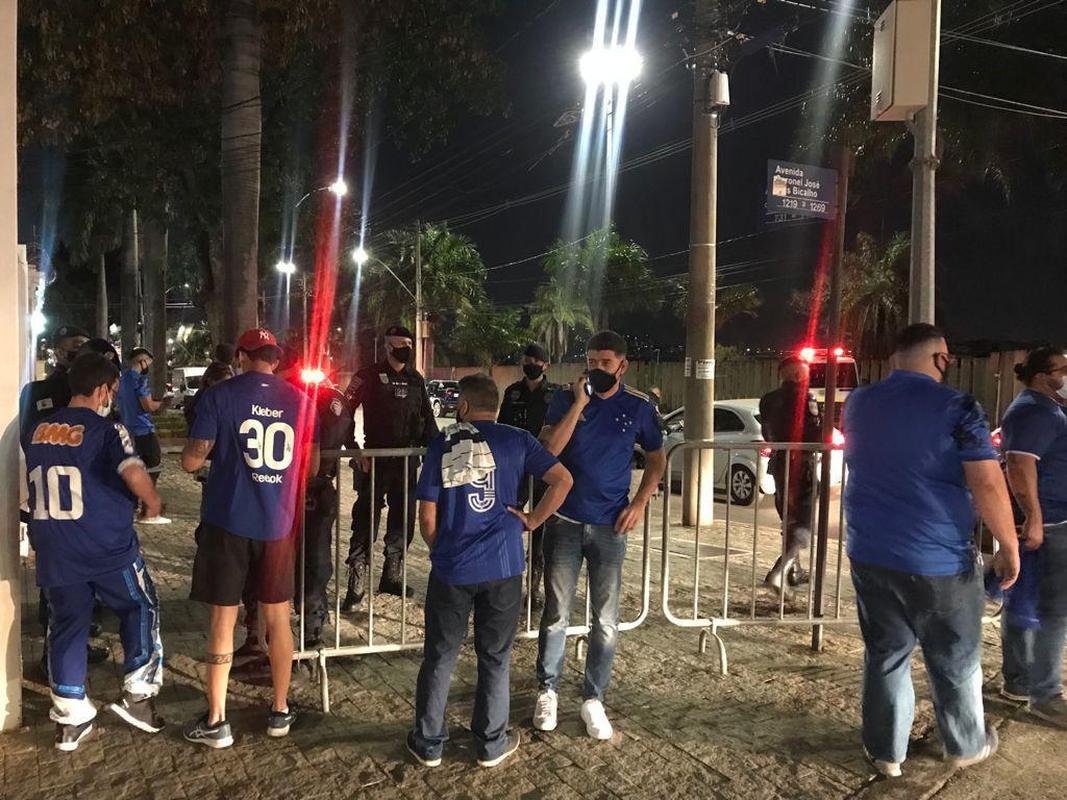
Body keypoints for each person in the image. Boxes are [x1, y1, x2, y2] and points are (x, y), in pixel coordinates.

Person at [843, 323, 1020, 778]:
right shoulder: (958, 407)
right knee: (955, 658)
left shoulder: (859, 402)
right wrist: (1008, 545)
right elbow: (986, 482)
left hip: (870, 553)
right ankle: (965, 744)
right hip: (938, 558)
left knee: (886, 655)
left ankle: (886, 752)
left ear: (894, 359)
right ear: (942, 359)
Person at [407, 373, 573, 768]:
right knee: (495, 657)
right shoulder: (519, 440)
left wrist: (441, 550)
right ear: (496, 407)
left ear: (463, 406)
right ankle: (491, 743)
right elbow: (563, 480)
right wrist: (533, 520)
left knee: (440, 655)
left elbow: (427, 516)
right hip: (504, 566)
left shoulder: (444, 442)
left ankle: (429, 743)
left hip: (453, 569)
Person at [180, 328, 319, 748]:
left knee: (222, 620)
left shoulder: (219, 396)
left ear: (241, 356)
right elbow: (310, 467)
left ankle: (217, 720)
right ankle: (280, 709)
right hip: (277, 525)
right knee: (278, 618)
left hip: (227, 522)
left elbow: (190, 462)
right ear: (275, 359)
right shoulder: (301, 400)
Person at [25, 353, 165, 752]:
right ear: (103, 389)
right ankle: (138, 694)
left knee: (67, 623)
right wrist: (153, 501)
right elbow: (132, 470)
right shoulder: (108, 430)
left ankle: (71, 716)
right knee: (140, 605)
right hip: (106, 545)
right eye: (113, 391)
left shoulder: (36, 430)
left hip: (55, 546)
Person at [533, 330, 665, 740]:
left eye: (605, 363)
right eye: (591, 362)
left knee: (605, 619)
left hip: (611, 525)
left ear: (623, 366)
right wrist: (579, 404)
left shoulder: (639, 406)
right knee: (556, 612)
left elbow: (657, 460)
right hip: (565, 521)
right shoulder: (564, 399)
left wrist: (639, 503)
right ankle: (548, 691)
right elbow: (549, 452)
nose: (596, 369)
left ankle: (594, 697)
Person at [19, 324, 109, 669]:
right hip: (53, 501)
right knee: (55, 588)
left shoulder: (96, 390)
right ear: (58, 352)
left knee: (85, 584)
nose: (81, 352)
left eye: (85, 346)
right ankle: (51, 658)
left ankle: (77, 644)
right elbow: (27, 439)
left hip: (91, 502)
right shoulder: (38, 391)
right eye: (75, 346)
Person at [341, 324, 437, 608]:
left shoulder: (416, 379)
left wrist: (435, 452)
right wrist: (354, 449)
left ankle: (391, 576)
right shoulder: (367, 376)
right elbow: (344, 412)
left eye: (409, 344)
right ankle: (356, 580)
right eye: (400, 344)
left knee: (402, 520)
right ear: (387, 347)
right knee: (365, 519)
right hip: (374, 462)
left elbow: (427, 420)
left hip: (406, 463)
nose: (406, 348)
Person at [998, 346, 1067, 725]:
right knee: (1053, 611)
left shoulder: (1047, 408)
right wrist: (1035, 518)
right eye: (1063, 370)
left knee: (1024, 601)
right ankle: (1044, 693)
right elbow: (1019, 465)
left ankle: (1021, 681)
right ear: (1043, 376)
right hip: (1051, 525)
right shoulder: (1034, 411)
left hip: (1049, 523)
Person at [277, 349, 354, 649]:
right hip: (286, 489)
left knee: (315, 560)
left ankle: (311, 627)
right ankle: (271, 631)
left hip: (312, 490)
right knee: (285, 561)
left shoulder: (331, 399)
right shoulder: (286, 394)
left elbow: (342, 432)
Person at [498, 343, 558, 607]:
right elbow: (501, 427)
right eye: (527, 359)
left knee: (540, 528)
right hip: (516, 469)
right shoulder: (513, 392)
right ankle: (504, 581)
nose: (531, 364)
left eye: (537, 360)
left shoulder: (556, 394)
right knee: (508, 519)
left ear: (546, 365)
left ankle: (533, 590)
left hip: (545, 469)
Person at [758, 355, 823, 589]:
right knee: (803, 523)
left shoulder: (767, 400)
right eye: (806, 373)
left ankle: (793, 570)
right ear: (798, 375)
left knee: (789, 519)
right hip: (802, 465)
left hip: (779, 463)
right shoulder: (806, 398)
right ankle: (779, 572)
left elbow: (767, 434)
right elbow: (816, 433)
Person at [116, 347, 171, 523]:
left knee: (133, 466)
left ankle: (131, 506)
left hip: (127, 429)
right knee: (154, 465)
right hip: (143, 429)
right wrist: (163, 403)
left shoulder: (121, 379)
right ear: (142, 362)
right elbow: (148, 406)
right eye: (148, 362)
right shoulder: (139, 380)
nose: (148, 366)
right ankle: (149, 510)